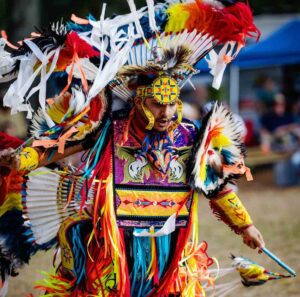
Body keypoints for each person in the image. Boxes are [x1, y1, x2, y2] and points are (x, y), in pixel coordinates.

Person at [0, 1, 264, 296]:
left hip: (170, 251)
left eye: (171, 104)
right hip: (114, 247)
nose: (165, 113)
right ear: (138, 101)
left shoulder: (191, 135)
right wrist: (21, 159)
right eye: (157, 104)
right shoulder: (109, 128)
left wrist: (246, 227)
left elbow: (218, 187)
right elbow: (57, 144)